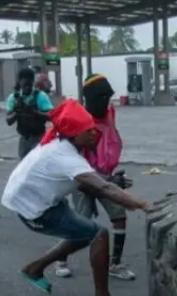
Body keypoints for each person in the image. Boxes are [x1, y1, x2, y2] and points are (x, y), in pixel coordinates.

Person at [1, 99, 148, 296]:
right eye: (88, 131)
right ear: (74, 133)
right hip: (35, 210)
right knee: (99, 234)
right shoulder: (64, 156)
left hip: (41, 200)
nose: (94, 134)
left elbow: (92, 179)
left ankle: (34, 269)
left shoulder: (62, 146)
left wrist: (112, 181)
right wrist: (143, 204)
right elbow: (101, 186)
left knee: (83, 233)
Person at [53, 74, 134, 280]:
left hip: (106, 176)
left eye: (108, 97)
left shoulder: (110, 112)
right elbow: (71, 156)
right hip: (82, 177)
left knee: (119, 216)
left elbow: (110, 141)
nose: (105, 102)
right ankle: (60, 259)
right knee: (80, 222)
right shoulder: (78, 121)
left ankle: (115, 264)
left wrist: (111, 176)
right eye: (100, 97)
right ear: (88, 99)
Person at [6, 67, 53, 158]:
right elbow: (8, 121)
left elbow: (51, 116)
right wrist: (17, 112)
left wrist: (34, 112)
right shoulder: (14, 97)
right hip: (24, 139)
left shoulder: (40, 96)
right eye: (25, 85)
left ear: (33, 82)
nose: (27, 88)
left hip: (39, 137)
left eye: (29, 84)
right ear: (20, 83)